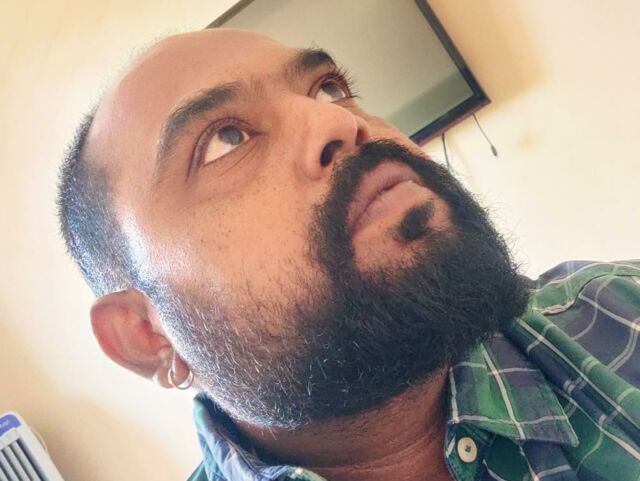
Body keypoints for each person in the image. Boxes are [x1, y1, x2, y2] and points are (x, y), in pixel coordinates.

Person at [56, 28, 640, 481]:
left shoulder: (620, 314)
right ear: (146, 334)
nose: (337, 119)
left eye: (328, 87)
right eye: (224, 139)